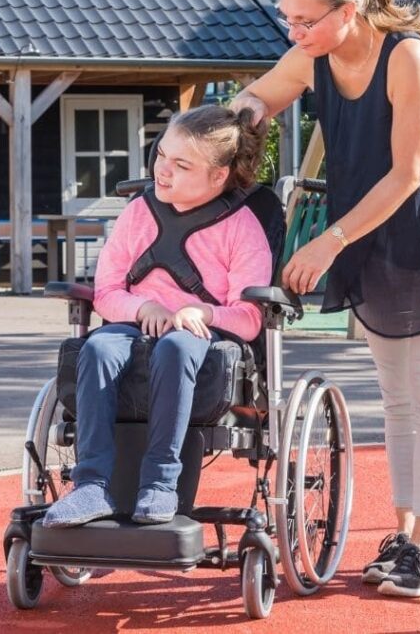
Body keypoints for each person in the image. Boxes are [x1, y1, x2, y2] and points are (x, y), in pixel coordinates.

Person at [230, 0, 420, 598]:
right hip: (372, 235)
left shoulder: (407, 57)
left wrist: (328, 243)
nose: (294, 32)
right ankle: (405, 535)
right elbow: (259, 94)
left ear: (348, 10)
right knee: (396, 396)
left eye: (306, 21)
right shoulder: (311, 58)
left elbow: (409, 174)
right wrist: (239, 114)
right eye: (288, 19)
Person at [42, 105, 272, 528]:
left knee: (176, 348)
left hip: (199, 335)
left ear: (218, 176)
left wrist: (201, 311)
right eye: (161, 155)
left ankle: (161, 483)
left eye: (181, 165)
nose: (162, 170)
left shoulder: (242, 228)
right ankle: (91, 485)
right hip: (133, 325)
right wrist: (143, 307)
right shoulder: (137, 214)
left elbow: (249, 318)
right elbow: (107, 292)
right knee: (96, 348)